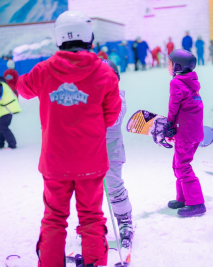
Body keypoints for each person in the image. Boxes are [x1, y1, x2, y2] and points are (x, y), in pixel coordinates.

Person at [15, 11, 121, 267]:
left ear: (60, 38)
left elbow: (21, 88)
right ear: (88, 37)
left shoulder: (43, 70)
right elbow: (111, 117)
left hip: (55, 163)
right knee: (91, 219)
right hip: (91, 163)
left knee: (54, 218)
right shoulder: (105, 74)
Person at [160, 49, 206, 217]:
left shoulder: (177, 83)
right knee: (178, 164)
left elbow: (174, 107)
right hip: (193, 132)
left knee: (182, 166)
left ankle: (197, 203)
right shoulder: (191, 82)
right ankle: (183, 198)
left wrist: (169, 124)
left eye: (169, 63)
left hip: (185, 133)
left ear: (177, 66)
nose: (167, 65)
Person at [101, 59, 134, 248]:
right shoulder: (88, 97)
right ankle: (92, 225)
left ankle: (124, 221)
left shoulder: (118, 98)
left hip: (111, 152)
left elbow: (113, 119)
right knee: (90, 191)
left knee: (114, 187)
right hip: (90, 152)